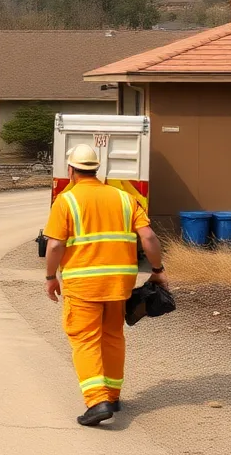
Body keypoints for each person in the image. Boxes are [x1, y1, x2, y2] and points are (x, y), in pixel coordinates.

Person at [43, 143, 166, 427]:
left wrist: (50, 278)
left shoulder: (67, 200)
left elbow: (55, 245)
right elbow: (148, 238)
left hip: (84, 284)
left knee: (84, 339)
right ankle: (112, 395)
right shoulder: (125, 198)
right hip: (118, 284)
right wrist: (158, 270)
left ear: (71, 170)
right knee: (112, 337)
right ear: (97, 169)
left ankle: (97, 401)